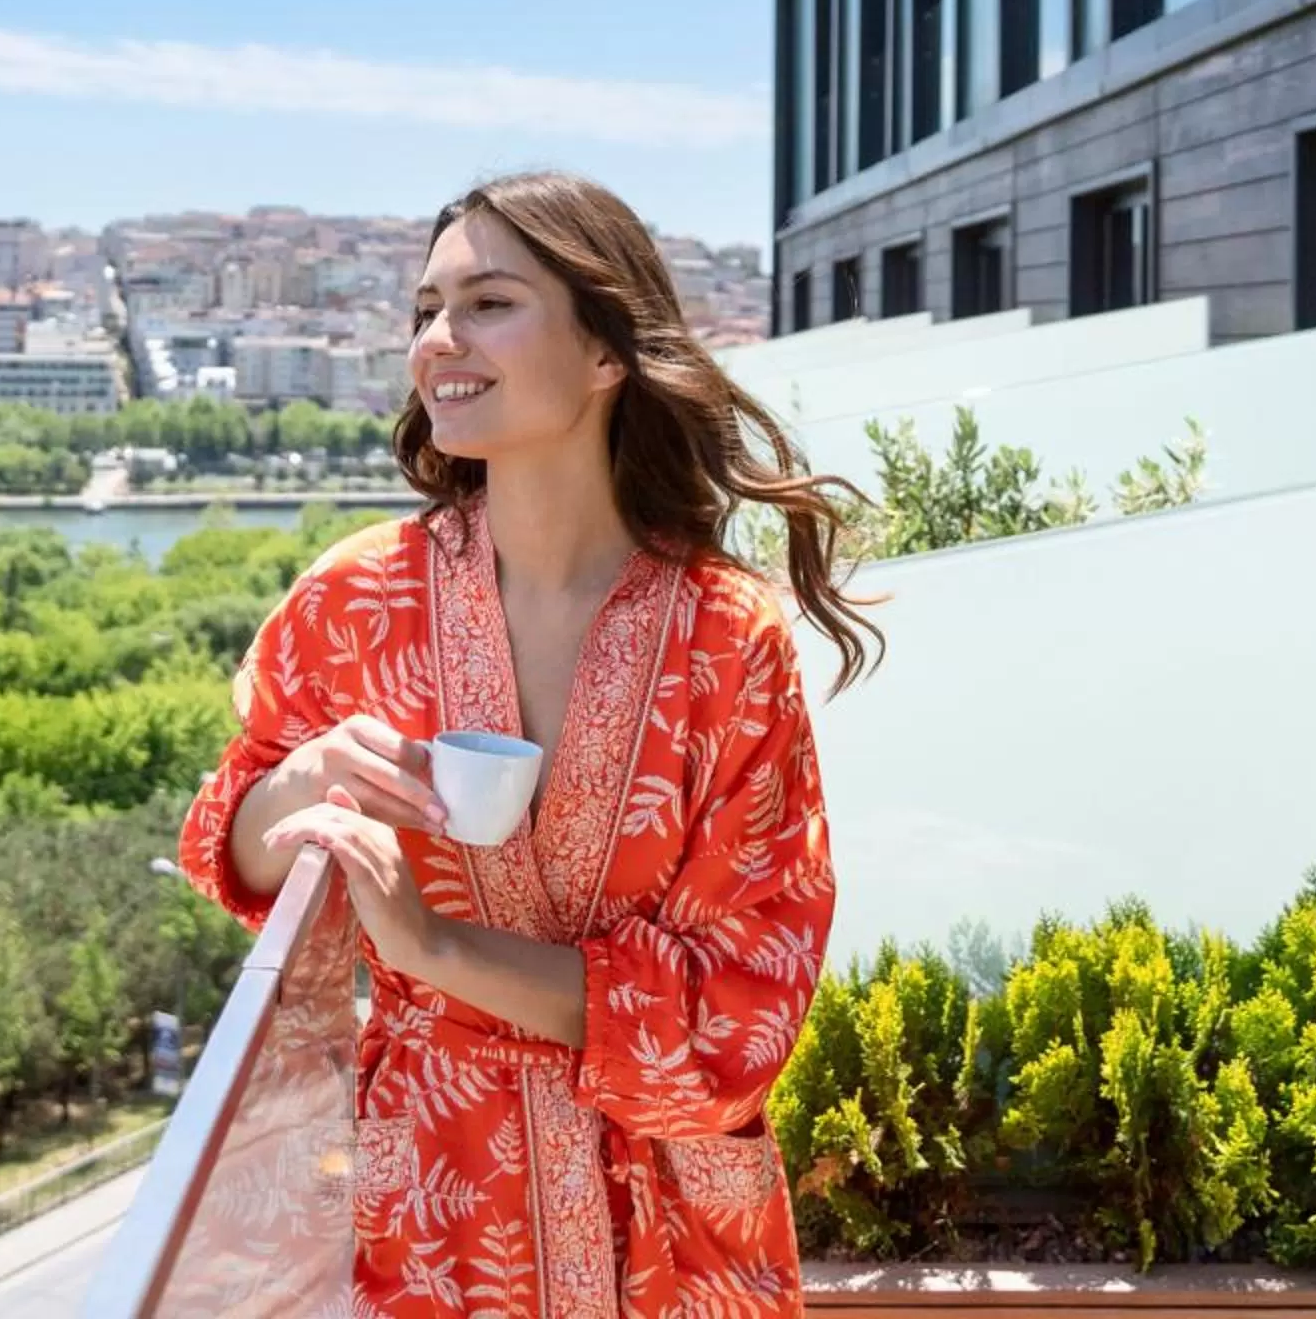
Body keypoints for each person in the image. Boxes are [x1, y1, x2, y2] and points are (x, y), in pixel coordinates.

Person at [180, 170, 880, 1316]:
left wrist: (433, 946)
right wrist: (298, 784)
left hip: (670, 1233)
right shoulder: (356, 600)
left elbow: (742, 1010)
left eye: (488, 302)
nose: (437, 340)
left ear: (608, 351)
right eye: (425, 308)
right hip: (431, 1210)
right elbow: (232, 848)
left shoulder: (726, 637)